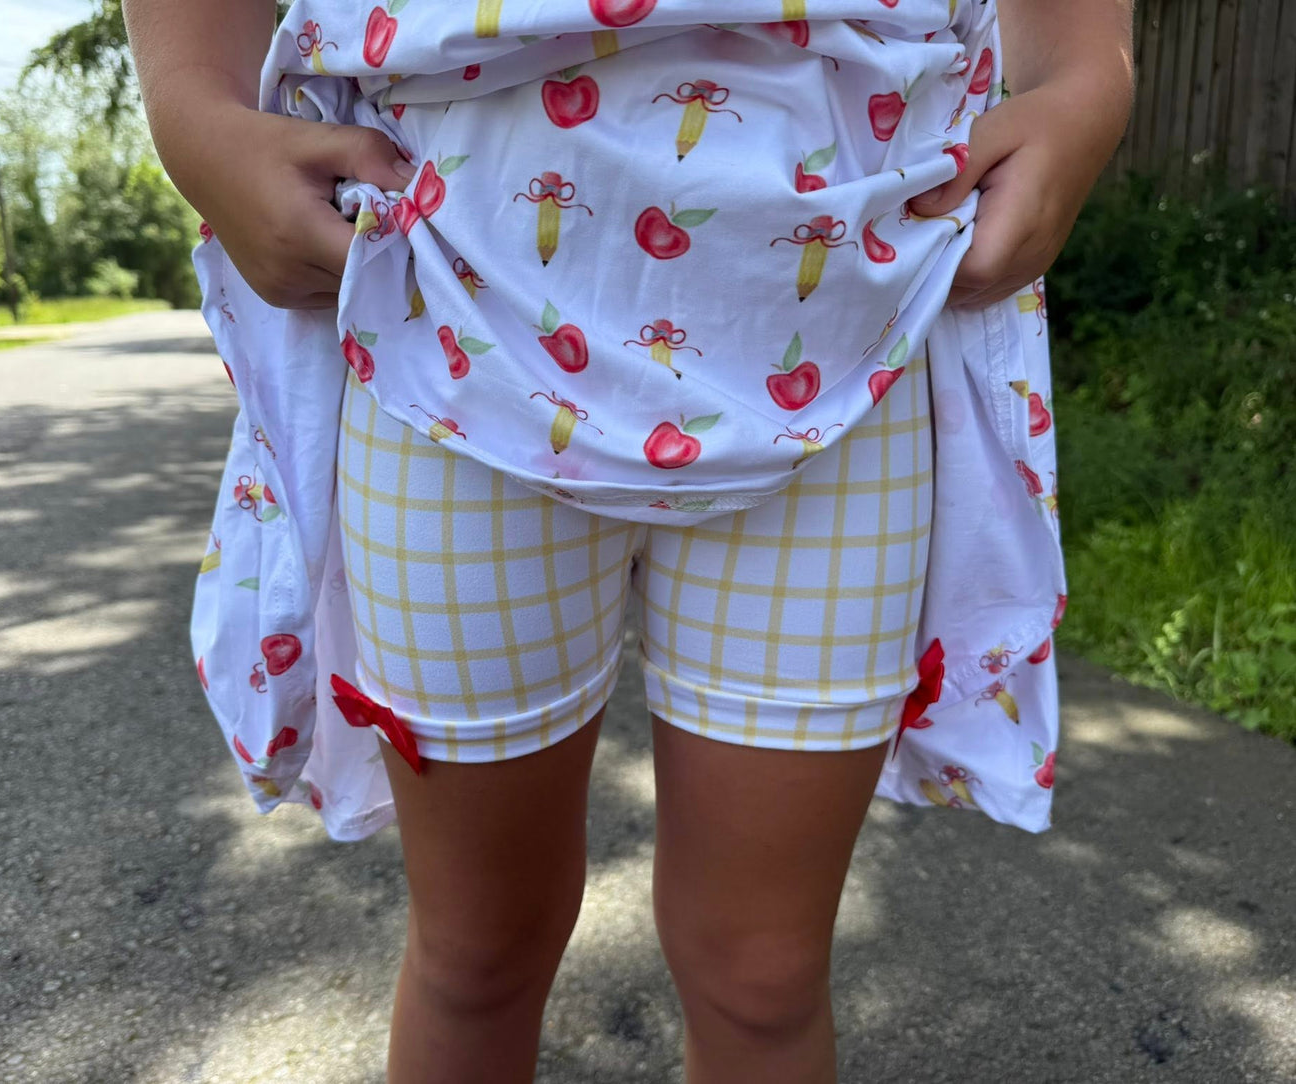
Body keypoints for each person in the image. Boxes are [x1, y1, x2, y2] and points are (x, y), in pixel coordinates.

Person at [124, 2, 1134, 1081]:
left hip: (851, 304)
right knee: (477, 955)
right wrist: (191, 107)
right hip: (445, 300)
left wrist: (1086, 76)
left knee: (762, 976)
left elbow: (1077, 43)